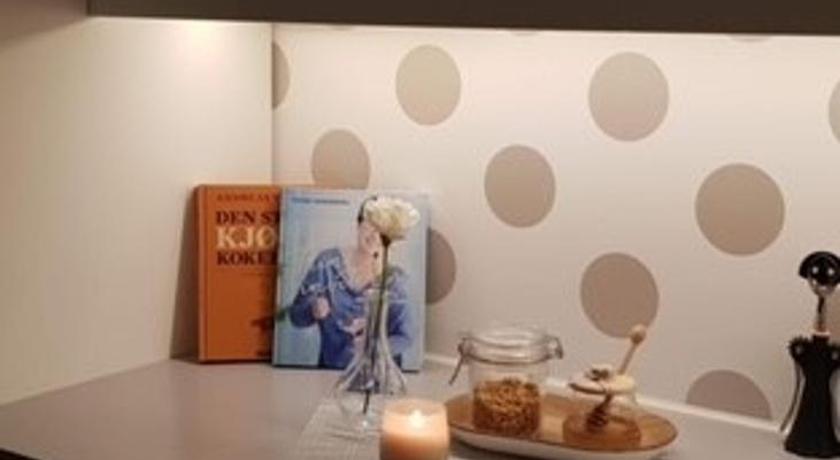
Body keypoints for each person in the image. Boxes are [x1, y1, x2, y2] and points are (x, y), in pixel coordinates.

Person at [288, 198, 414, 369]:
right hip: (329, 374)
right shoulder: (327, 263)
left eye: (382, 230)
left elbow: (405, 337)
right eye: (370, 225)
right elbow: (295, 316)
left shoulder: (394, 279)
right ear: (358, 224)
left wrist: (373, 347)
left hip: (379, 375)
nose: (375, 236)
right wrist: (312, 310)